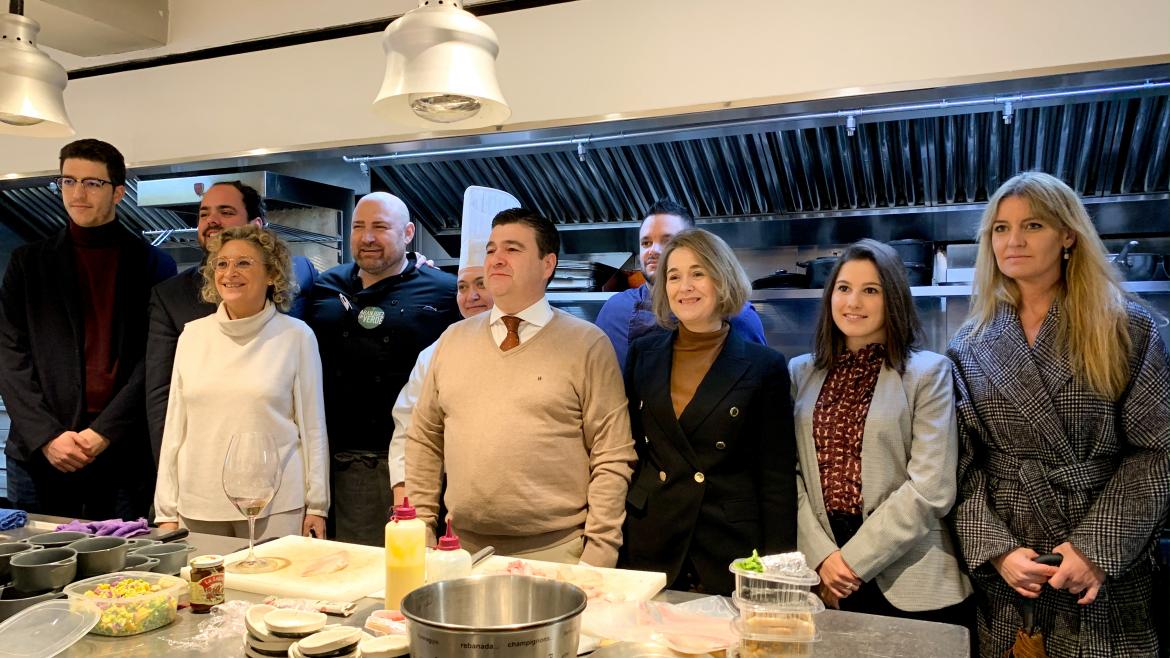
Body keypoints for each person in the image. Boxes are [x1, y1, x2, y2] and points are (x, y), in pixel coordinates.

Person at [948, 172, 1169, 657]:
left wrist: (1094, 550)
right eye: (1000, 229)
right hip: (1013, 570)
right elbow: (962, 467)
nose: (1014, 241)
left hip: (1104, 560)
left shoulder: (1127, 327)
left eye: (1033, 226)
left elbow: (1158, 451)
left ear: (1068, 235)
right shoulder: (970, 342)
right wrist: (997, 550)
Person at [406, 208, 636, 566]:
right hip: (459, 550)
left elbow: (612, 454)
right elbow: (424, 439)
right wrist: (420, 530)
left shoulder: (587, 345)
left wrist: (599, 553)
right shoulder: (452, 340)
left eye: (512, 249)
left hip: (560, 553)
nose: (496, 259)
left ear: (547, 264)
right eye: (491, 249)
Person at [790, 239, 972, 624]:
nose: (853, 302)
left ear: (893, 298)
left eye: (870, 290)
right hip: (821, 573)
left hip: (910, 575)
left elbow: (931, 487)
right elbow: (787, 475)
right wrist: (822, 556)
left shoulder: (928, 373)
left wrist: (853, 562)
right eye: (844, 288)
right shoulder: (799, 373)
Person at [0, 139, 177, 520]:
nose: (77, 193)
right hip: (40, 453)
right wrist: (47, 436)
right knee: (36, 569)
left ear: (117, 192)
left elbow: (154, 360)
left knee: (125, 572)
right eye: (67, 181)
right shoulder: (27, 263)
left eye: (92, 183)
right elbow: (9, 354)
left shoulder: (153, 264)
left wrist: (105, 431)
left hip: (120, 451)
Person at [619, 228, 795, 594]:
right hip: (651, 537)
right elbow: (630, 451)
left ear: (722, 278)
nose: (685, 286)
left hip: (725, 545)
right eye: (674, 276)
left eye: (697, 273)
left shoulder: (764, 366)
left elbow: (776, 479)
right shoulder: (643, 355)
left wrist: (779, 570)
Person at [154, 225, 329, 539]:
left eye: (244, 263)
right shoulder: (193, 335)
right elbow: (174, 429)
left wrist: (317, 506)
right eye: (222, 264)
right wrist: (166, 511)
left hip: (274, 505)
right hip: (198, 506)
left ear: (272, 274)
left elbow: (313, 428)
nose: (229, 272)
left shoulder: (295, 336)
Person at [305, 192, 458, 545]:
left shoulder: (447, 292)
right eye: (358, 227)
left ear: (407, 233)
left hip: (420, 461)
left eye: (380, 227)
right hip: (340, 462)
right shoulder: (324, 287)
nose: (367, 237)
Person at [145, 180, 317, 466]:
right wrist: (170, 476)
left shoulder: (299, 275)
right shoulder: (170, 296)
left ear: (257, 225)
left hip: (275, 464)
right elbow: (162, 398)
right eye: (203, 214)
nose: (212, 220)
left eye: (225, 212)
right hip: (203, 464)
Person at [388, 187, 507, 506]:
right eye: (462, 287)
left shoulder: (537, 345)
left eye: (481, 284)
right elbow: (407, 426)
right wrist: (402, 489)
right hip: (445, 498)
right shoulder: (437, 353)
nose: (471, 297)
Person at [595, 199, 766, 368]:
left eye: (668, 241)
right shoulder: (614, 311)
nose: (653, 250)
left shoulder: (736, 315)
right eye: (646, 243)